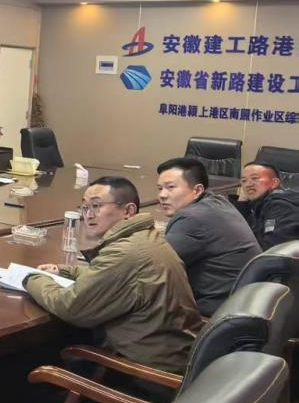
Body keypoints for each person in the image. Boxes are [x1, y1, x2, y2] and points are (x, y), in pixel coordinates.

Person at [22, 176, 201, 374]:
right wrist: (66, 271)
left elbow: (71, 306)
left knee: (32, 360)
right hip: (168, 356)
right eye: (84, 207)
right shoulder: (145, 238)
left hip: (144, 374)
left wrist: (32, 278)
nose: (88, 215)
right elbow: (115, 275)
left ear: (128, 211)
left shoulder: (124, 252)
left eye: (96, 206)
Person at [156, 156, 260, 316]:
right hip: (243, 304)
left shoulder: (192, 218)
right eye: (159, 188)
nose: (162, 195)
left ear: (197, 190)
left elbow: (153, 266)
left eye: (170, 187)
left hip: (212, 313)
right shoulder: (217, 203)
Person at [236, 161, 299, 249]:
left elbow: (273, 247)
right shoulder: (258, 204)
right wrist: (242, 200)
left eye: (254, 178)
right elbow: (237, 232)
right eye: (244, 181)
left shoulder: (280, 206)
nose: (248, 184)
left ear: (274, 183)